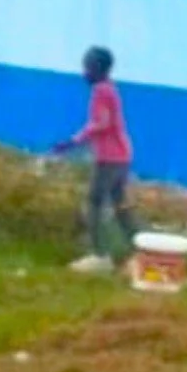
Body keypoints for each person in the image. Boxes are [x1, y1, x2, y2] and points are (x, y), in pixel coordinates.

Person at [53, 46, 135, 274]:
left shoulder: (100, 90)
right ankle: (138, 251)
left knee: (93, 204)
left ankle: (100, 256)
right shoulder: (111, 88)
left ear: (99, 69)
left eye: (87, 68)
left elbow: (102, 123)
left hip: (109, 159)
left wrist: (73, 141)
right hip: (122, 156)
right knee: (120, 205)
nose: (84, 73)